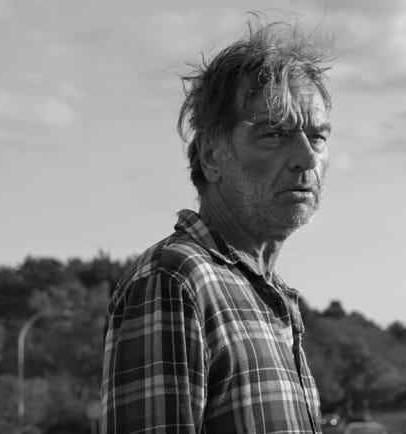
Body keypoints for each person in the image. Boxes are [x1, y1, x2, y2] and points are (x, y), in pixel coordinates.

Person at [102, 16, 333, 433]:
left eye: (317, 136)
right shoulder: (175, 279)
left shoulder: (269, 295)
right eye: (273, 134)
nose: (306, 157)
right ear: (210, 155)